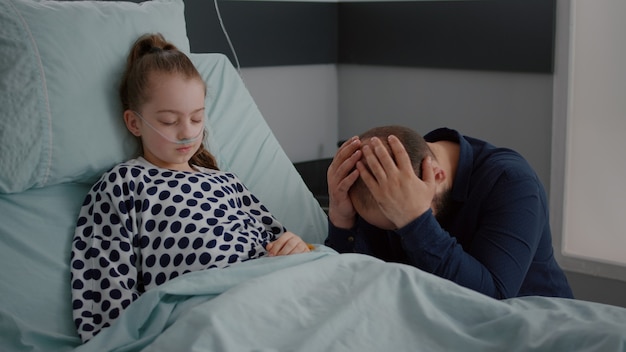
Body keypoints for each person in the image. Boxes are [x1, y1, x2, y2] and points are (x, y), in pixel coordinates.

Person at [70, 33, 311, 342]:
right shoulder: (124, 184)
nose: (187, 132)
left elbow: (282, 241)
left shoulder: (225, 181)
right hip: (207, 308)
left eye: (197, 119)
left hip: (270, 287)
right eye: (170, 121)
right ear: (134, 123)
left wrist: (296, 247)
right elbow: (104, 284)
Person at [325, 125, 573, 300]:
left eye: (399, 224)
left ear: (437, 176)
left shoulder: (512, 182)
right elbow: (360, 280)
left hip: (537, 326)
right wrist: (342, 220)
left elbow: (493, 298)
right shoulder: (388, 183)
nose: (399, 235)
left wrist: (415, 221)